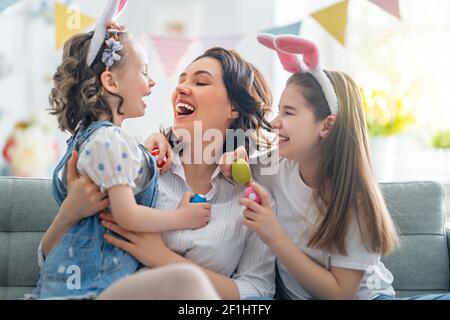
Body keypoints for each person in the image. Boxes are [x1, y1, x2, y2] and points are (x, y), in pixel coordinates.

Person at [219, 34, 450, 300]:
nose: (274, 122)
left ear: (327, 125)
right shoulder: (277, 165)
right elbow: (233, 164)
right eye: (279, 111)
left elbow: (340, 294)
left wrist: (275, 236)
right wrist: (233, 155)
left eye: (289, 113)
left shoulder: (356, 200)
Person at [36, 44, 277, 299]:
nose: (181, 89)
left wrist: (161, 257)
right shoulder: (140, 166)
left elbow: (257, 290)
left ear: (234, 108)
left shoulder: (253, 195)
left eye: (201, 83)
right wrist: (68, 213)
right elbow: (61, 259)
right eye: (181, 80)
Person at [30, 0, 211, 299]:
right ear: (111, 81)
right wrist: (183, 218)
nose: (152, 83)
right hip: (88, 290)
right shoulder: (108, 142)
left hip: (71, 285)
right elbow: (127, 216)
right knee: (188, 282)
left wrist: (145, 152)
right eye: (143, 72)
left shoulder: (90, 140)